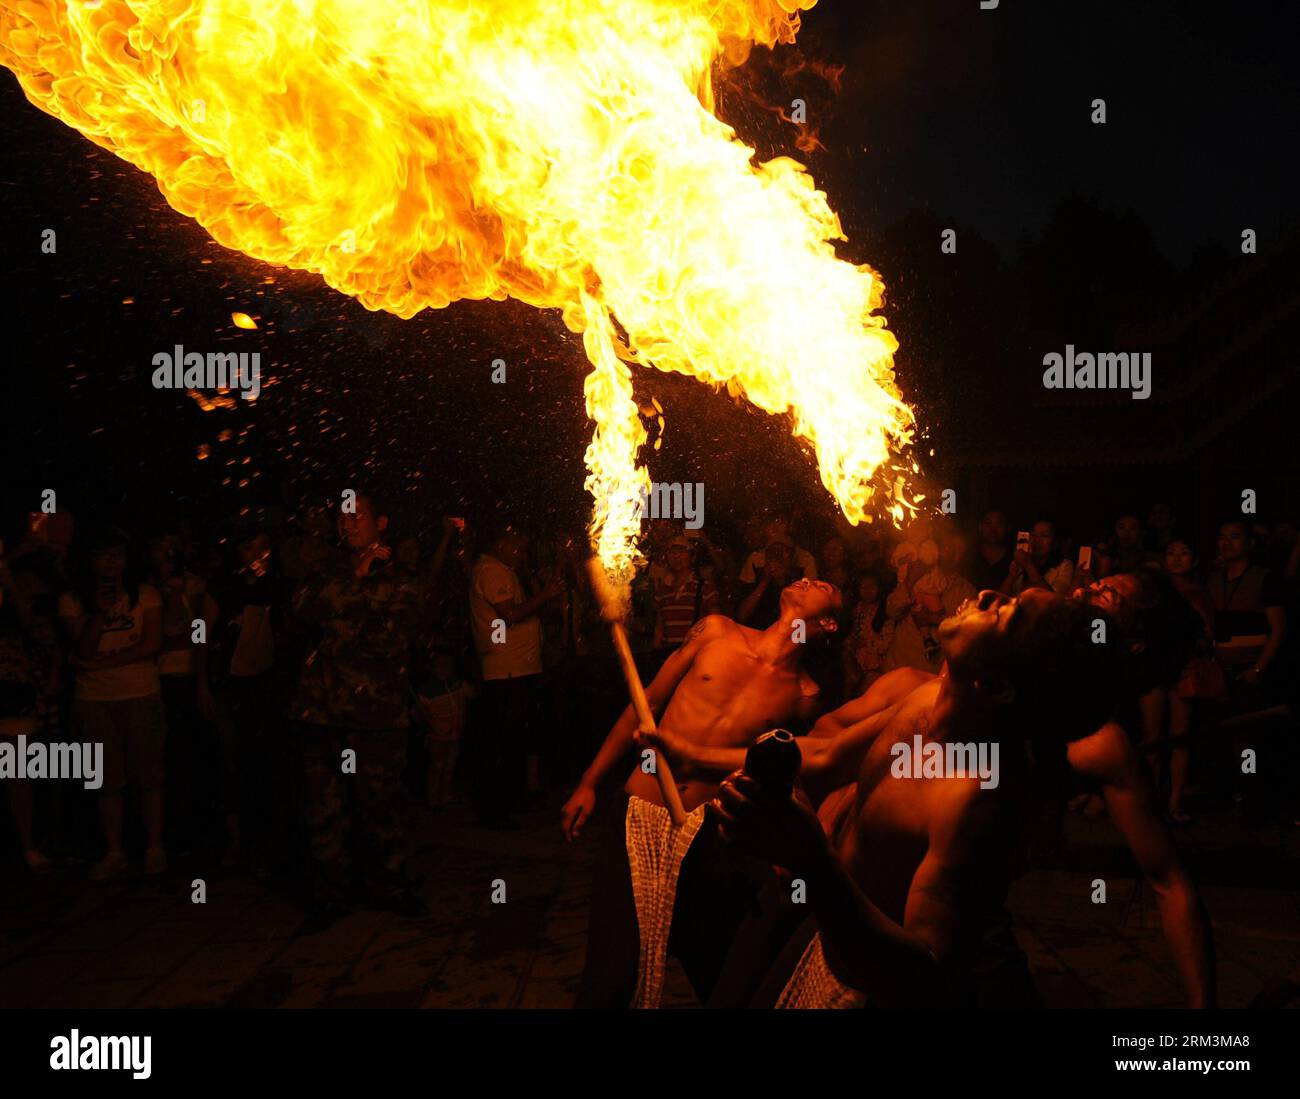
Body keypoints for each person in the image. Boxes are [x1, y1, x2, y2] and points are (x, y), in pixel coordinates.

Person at [706, 591, 1123, 1006]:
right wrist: (689, 755)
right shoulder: (925, 699)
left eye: (1004, 615)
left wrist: (811, 855)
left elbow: (927, 973)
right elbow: (827, 756)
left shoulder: (976, 800)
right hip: (822, 935)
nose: (988, 594)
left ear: (996, 686)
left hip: (863, 991)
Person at [562, 577, 841, 1007]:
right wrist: (588, 782)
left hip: (711, 830)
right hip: (640, 811)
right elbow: (648, 703)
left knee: (721, 975)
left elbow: (784, 770)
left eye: (822, 583)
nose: (806, 578)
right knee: (610, 981)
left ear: (828, 622)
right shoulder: (716, 630)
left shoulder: (805, 695)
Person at [288, 494, 426, 930]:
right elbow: (303, 613)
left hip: (376, 711)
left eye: (357, 516)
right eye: (341, 518)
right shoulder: (321, 569)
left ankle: (390, 885)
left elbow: (390, 637)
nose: (348, 525)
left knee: (380, 801)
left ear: (380, 521)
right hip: (322, 710)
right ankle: (330, 893)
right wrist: (355, 579)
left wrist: (345, 609)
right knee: (324, 806)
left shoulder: (400, 575)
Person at [57, 527, 167, 880]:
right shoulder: (72, 600)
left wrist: (100, 664)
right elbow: (82, 649)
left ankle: (154, 847)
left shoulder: (146, 595)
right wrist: (101, 615)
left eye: (119, 555)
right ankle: (114, 850)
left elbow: (151, 643)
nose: (112, 562)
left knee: (148, 774)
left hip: (139, 692)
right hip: (95, 699)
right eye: (105, 555)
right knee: (106, 780)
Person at [468, 524, 562, 826]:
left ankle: (510, 801)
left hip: (517, 668)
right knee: (502, 741)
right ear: (501, 545)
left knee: (515, 738)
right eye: (516, 548)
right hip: (506, 670)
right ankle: (495, 809)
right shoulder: (492, 571)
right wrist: (546, 595)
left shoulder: (501, 570)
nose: (521, 555)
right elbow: (509, 615)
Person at [413, 646, 473, 809]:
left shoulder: (457, 684)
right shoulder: (426, 691)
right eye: (440, 665)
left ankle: (445, 795)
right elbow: (420, 714)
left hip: (455, 734)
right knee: (436, 767)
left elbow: (472, 694)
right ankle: (433, 798)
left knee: (449, 766)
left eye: (448, 664)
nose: (445, 668)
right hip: (437, 736)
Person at [652, 534, 720, 660]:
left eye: (682, 551)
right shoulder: (663, 590)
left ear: (692, 557)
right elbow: (659, 626)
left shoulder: (704, 587)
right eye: (672, 552)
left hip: (696, 656)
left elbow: (716, 625)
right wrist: (656, 654)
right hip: (668, 657)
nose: (676, 556)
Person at [737, 534, 803, 628]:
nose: (777, 556)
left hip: (786, 639)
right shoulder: (757, 582)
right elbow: (741, 616)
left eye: (784, 551)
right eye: (773, 551)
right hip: (759, 639)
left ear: (792, 558)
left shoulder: (799, 586)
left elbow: (800, 630)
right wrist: (764, 582)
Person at [1004, 519, 1074, 596]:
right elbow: (1001, 598)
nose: (1037, 540)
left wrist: (1029, 566)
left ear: (1055, 541)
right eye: (1033, 534)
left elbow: (1053, 598)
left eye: (1044, 535)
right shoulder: (1020, 562)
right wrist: (1011, 577)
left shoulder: (1064, 565)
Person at [968, 509, 1012, 592]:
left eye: (999, 523)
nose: (993, 529)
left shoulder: (1013, 560)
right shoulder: (969, 557)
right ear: (980, 527)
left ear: (1007, 528)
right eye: (988, 523)